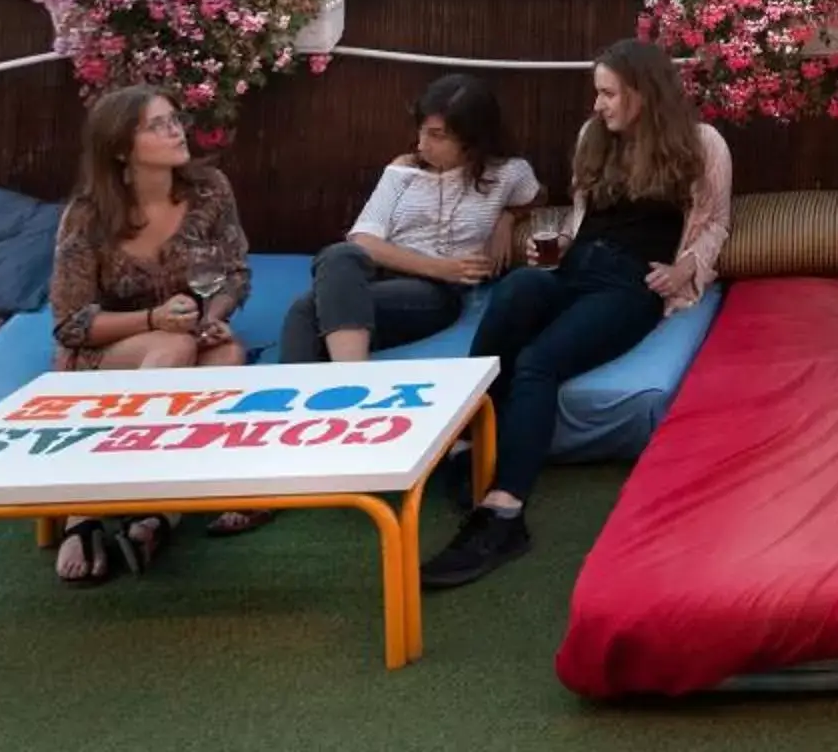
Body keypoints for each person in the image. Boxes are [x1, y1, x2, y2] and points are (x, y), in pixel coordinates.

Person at [422, 38, 731, 589]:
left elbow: (714, 224)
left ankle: (505, 511)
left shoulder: (701, 144)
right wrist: (558, 245)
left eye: (609, 93)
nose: (599, 105)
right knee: (516, 289)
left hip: (631, 286)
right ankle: (467, 438)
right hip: (576, 267)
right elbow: (582, 216)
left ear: (642, 93)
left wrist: (685, 270)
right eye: (599, 92)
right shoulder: (595, 138)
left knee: (540, 361)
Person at [44, 87, 256, 582]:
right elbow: (71, 324)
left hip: (184, 330)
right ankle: (91, 506)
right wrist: (154, 320)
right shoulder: (88, 215)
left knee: (225, 355)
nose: (175, 131)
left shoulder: (210, 189)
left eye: (174, 119)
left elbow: (234, 275)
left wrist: (215, 313)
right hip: (104, 352)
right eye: (156, 126)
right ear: (120, 148)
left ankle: (162, 508)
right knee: (173, 346)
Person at [280, 73, 539, 365]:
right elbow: (364, 241)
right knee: (339, 255)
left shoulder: (507, 174)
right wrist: (442, 268)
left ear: (473, 137)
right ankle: (349, 376)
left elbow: (538, 198)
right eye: (421, 132)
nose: (421, 145)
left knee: (306, 310)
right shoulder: (403, 171)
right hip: (383, 276)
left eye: (436, 136)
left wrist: (507, 218)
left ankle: (326, 388)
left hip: (433, 295)